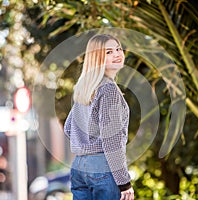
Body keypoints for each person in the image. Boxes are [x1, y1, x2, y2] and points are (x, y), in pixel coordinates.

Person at [64, 34, 134, 200]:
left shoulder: (86, 89)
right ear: (97, 58)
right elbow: (111, 140)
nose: (117, 54)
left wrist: (85, 146)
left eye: (118, 49)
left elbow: (68, 128)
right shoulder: (108, 89)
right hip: (103, 166)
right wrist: (124, 183)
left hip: (79, 166)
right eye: (109, 52)